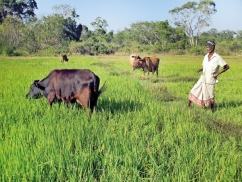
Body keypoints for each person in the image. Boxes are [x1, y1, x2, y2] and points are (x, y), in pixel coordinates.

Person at [188, 40, 230, 112]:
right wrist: (201, 69)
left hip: (210, 80)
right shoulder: (206, 56)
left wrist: (217, 74)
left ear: (212, 47)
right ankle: (188, 106)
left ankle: (212, 110)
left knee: (210, 96)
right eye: (206, 47)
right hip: (203, 78)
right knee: (194, 90)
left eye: (208, 47)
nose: (207, 48)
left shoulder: (217, 57)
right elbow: (206, 66)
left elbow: (226, 67)